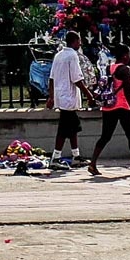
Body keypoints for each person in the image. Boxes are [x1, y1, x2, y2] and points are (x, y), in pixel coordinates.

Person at [88, 43, 130, 176]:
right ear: (125, 56)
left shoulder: (109, 68)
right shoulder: (125, 69)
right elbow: (126, 91)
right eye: (128, 54)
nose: (129, 57)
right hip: (123, 106)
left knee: (105, 136)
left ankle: (93, 163)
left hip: (109, 106)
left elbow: (112, 88)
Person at [48, 30, 91, 167]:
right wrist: (89, 95)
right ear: (74, 41)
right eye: (79, 41)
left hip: (61, 97)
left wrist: (51, 97)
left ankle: (76, 155)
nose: (80, 43)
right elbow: (77, 79)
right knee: (64, 129)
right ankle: (55, 157)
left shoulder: (58, 55)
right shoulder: (72, 56)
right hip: (69, 98)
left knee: (73, 128)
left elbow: (51, 78)